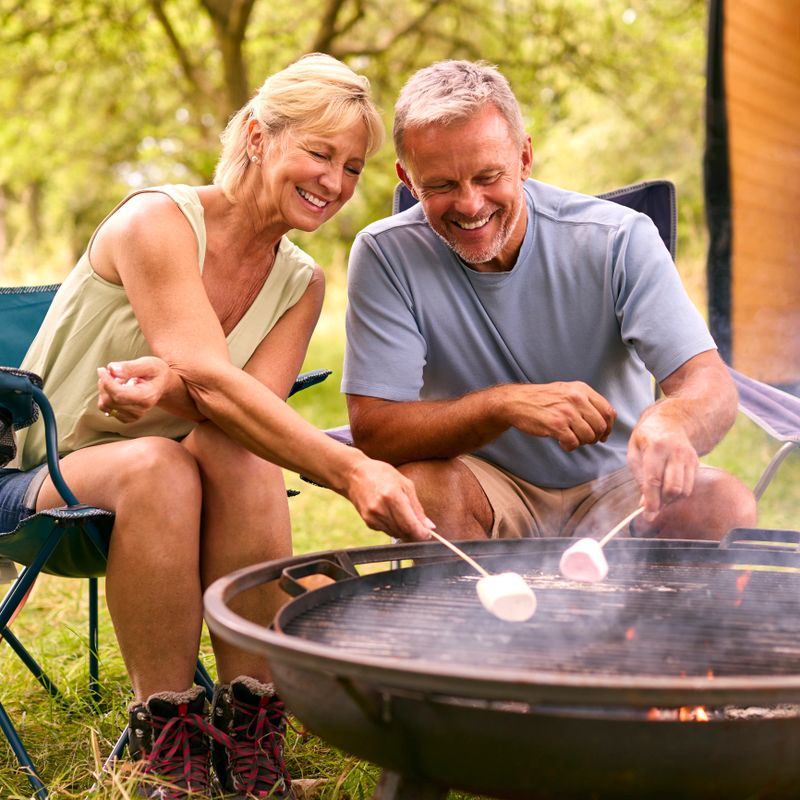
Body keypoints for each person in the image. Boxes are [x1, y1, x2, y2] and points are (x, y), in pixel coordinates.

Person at [1, 54, 434, 800]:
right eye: (320, 153)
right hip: (42, 474)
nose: (334, 182)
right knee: (158, 465)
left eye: (352, 167)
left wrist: (178, 388)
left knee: (239, 450)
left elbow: (245, 409)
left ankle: (251, 729)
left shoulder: (302, 281)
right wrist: (353, 470)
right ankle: (167, 740)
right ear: (260, 137)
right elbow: (213, 377)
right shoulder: (157, 221)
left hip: (188, 484)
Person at [342, 59, 757, 548]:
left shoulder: (618, 238)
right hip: (483, 487)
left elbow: (708, 383)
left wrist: (673, 421)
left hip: (620, 487)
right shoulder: (384, 254)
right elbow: (376, 431)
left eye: (488, 176)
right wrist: (501, 405)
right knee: (423, 489)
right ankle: (481, 604)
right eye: (442, 186)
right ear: (408, 179)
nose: (470, 204)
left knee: (722, 503)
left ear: (524, 157)